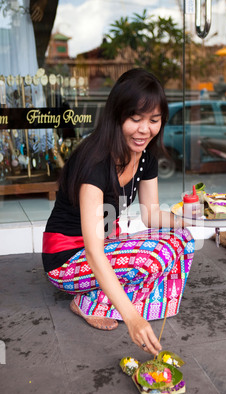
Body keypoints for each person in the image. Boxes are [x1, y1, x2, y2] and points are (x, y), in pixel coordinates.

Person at [42, 68, 195, 356]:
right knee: (153, 257)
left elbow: (152, 216)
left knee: (183, 239)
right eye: (135, 119)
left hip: (105, 245)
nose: (144, 130)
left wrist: (198, 217)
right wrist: (132, 319)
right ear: (117, 117)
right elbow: (93, 250)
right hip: (66, 259)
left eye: (153, 120)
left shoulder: (145, 154)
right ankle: (86, 302)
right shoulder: (95, 161)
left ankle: (108, 299)